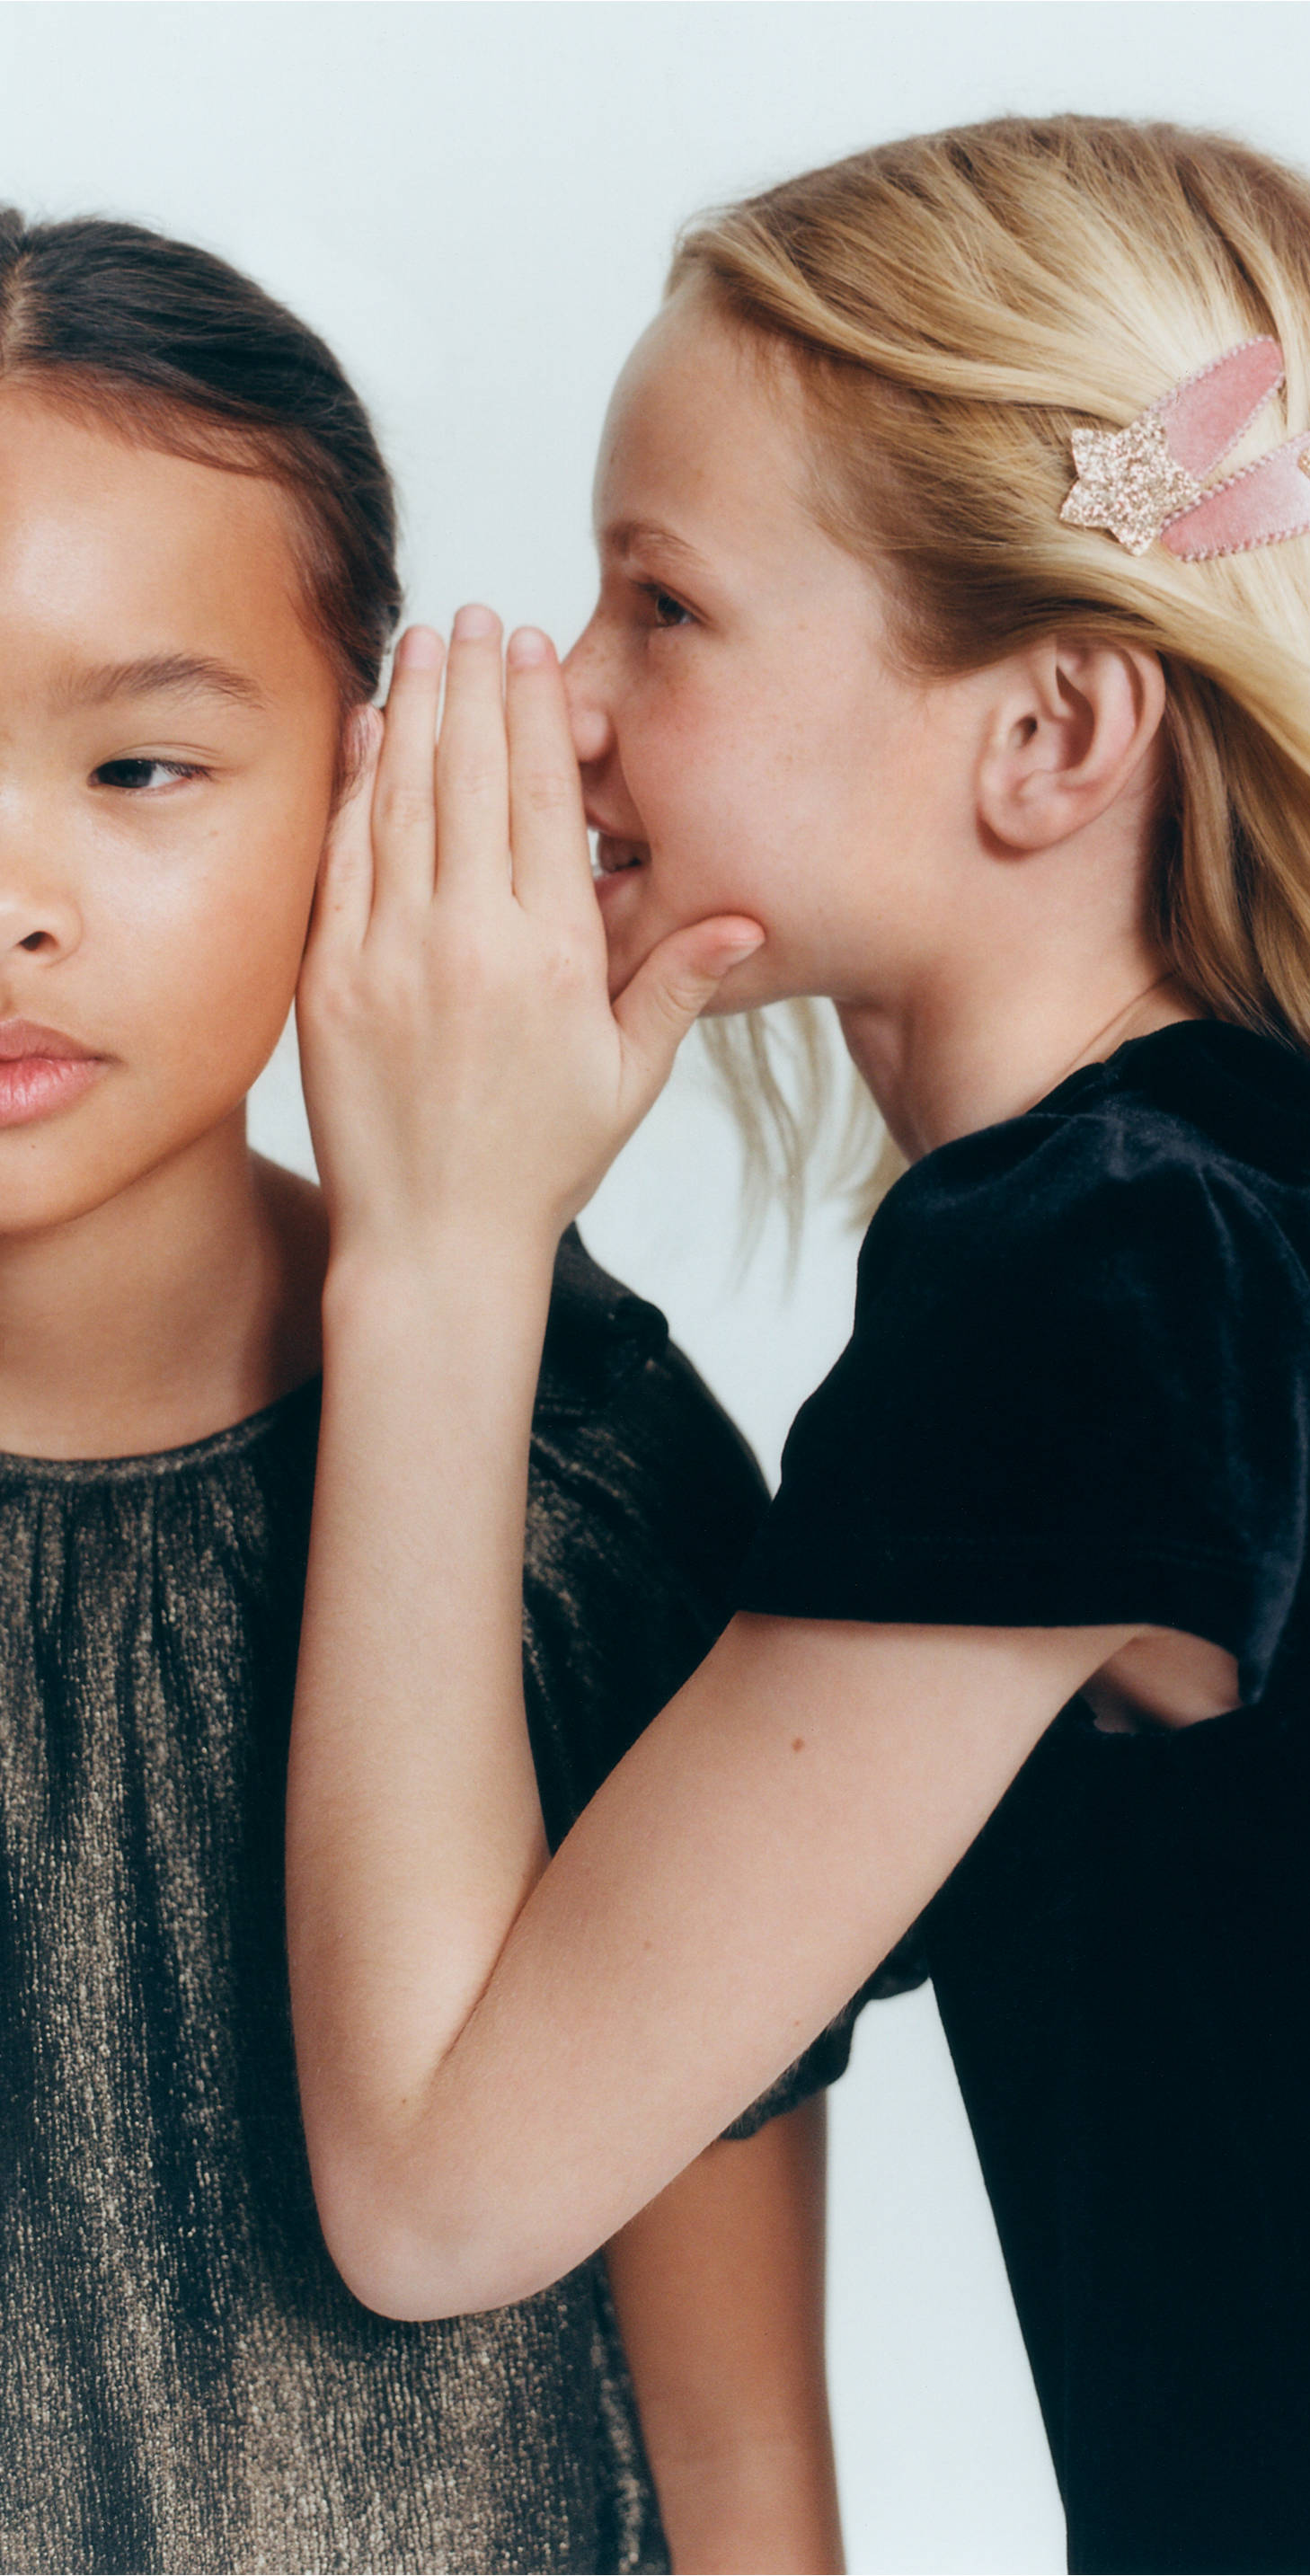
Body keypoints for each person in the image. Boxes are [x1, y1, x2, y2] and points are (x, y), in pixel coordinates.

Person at [282, 118, 1310, 2576]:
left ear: (1053, 734)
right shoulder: (1271, 1209)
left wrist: (437, 1247)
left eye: (659, 608)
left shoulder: (1114, 1283)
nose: (566, 703)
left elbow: (435, 2185)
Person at [0, 209, 850, 2576]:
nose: (11, 900)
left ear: (364, 785)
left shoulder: (590, 1473)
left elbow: (742, 2445)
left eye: (140, 764)